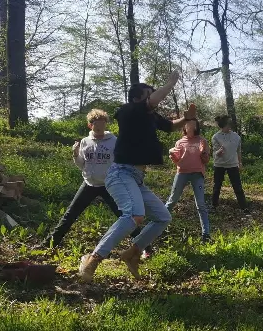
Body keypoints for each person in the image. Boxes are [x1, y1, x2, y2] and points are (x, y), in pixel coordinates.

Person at [78, 70, 196, 282]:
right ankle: (93, 259)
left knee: (163, 217)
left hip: (135, 177)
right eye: (148, 94)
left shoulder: (150, 116)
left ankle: (132, 254)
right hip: (121, 172)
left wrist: (185, 119)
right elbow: (153, 101)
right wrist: (171, 82)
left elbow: (169, 127)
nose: (153, 97)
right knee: (134, 215)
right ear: (136, 98)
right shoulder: (128, 111)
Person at [42, 109, 148, 251]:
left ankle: (145, 247)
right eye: (97, 127)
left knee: (125, 216)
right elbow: (82, 164)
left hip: (110, 185)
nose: (99, 130)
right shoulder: (85, 142)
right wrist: (75, 154)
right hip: (89, 184)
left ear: (106, 125)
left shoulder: (114, 142)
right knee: (70, 214)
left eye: (102, 127)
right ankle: (49, 244)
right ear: (90, 126)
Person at [164, 119, 211, 248]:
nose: (190, 125)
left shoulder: (202, 141)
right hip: (182, 173)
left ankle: (206, 234)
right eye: (188, 123)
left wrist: (204, 153)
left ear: (196, 126)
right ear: (184, 126)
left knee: (200, 204)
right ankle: (158, 226)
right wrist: (172, 156)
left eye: (193, 123)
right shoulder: (180, 142)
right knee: (172, 200)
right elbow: (177, 160)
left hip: (197, 174)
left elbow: (206, 160)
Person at [211, 115, 249, 213]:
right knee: (217, 187)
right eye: (228, 124)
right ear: (223, 125)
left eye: (230, 124)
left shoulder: (236, 137)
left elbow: (238, 151)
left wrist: (240, 163)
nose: (230, 126)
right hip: (219, 165)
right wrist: (218, 152)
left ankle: (244, 207)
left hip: (233, 165)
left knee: (238, 187)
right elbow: (215, 154)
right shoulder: (216, 137)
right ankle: (213, 206)